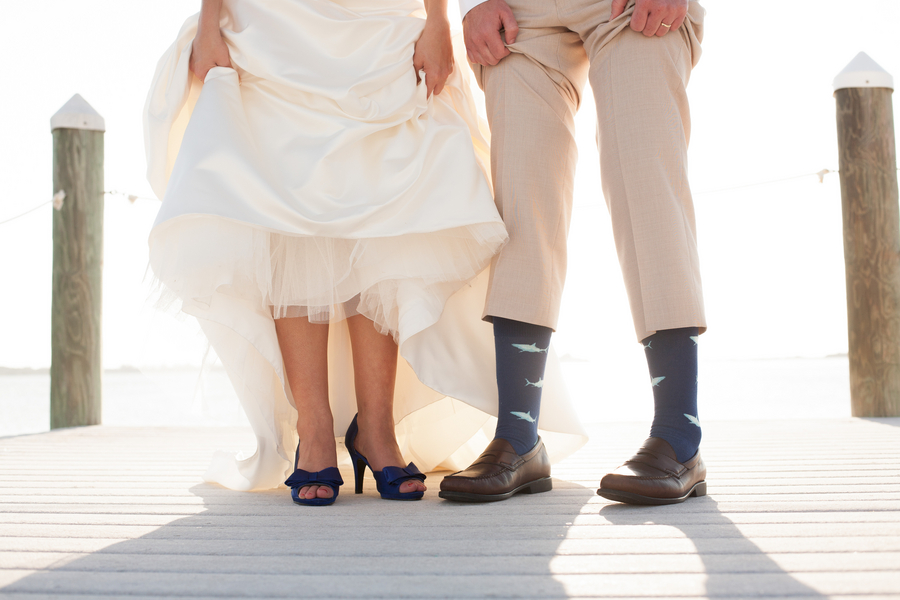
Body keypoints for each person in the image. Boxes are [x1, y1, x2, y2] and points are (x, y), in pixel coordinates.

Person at [144, 0, 587, 503]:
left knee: (383, 205)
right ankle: (314, 431)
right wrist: (208, 23)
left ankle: (376, 429)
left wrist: (438, 19)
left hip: (380, 19)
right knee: (285, 205)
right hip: (275, 20)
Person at [438, 0, 708, 505]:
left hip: (630, 8)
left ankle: (678, 435)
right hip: (519, 11)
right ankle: (518, 438)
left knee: (646, 184)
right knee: (520, 204)